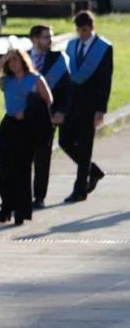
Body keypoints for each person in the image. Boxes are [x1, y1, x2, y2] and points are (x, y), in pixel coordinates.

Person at [0, 49, 52, 226]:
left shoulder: (35, 79)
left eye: (15, 60)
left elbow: (48, 99)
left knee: (22, 170)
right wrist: (2, 59)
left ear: (23, 61)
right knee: (6, 170)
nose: (12, 64)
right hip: (9, 126)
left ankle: (21, 210)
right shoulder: (7, 81)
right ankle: (6, 207)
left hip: (27, 127)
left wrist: (28, 111)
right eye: (10, 61)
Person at [61, 11, 114, 202]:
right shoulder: (71, 45)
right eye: (78, 30)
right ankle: (94, 171)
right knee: (64, 142)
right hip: (71, 103)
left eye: (84, 30)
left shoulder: (104, 48)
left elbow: (105, 80)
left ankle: (80, 189)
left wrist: (101, 109)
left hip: (90, 106)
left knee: (85, 147)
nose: (81, 34)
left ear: (91, 28)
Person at [27, 24, 73, 210]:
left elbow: (67, 89)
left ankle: (39, 196)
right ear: (35, 39)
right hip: (23, 115)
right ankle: (20, 195)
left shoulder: (58, 59)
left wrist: (61, 111)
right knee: (22, 158)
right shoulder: (22, 58)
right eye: (46, 37)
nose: (50, 40)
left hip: (47, 115)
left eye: (51, 36)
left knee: (42, 157)